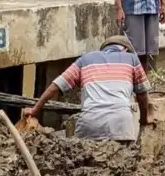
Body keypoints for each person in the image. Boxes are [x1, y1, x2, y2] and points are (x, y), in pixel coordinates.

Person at [22, 36, 151, 142]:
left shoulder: (85, 60)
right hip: (121, 126)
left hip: (90, 126)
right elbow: (142, 96)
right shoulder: (132, 59)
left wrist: (35, 109)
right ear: (125, 50)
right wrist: (144, 120)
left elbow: (55, 86)